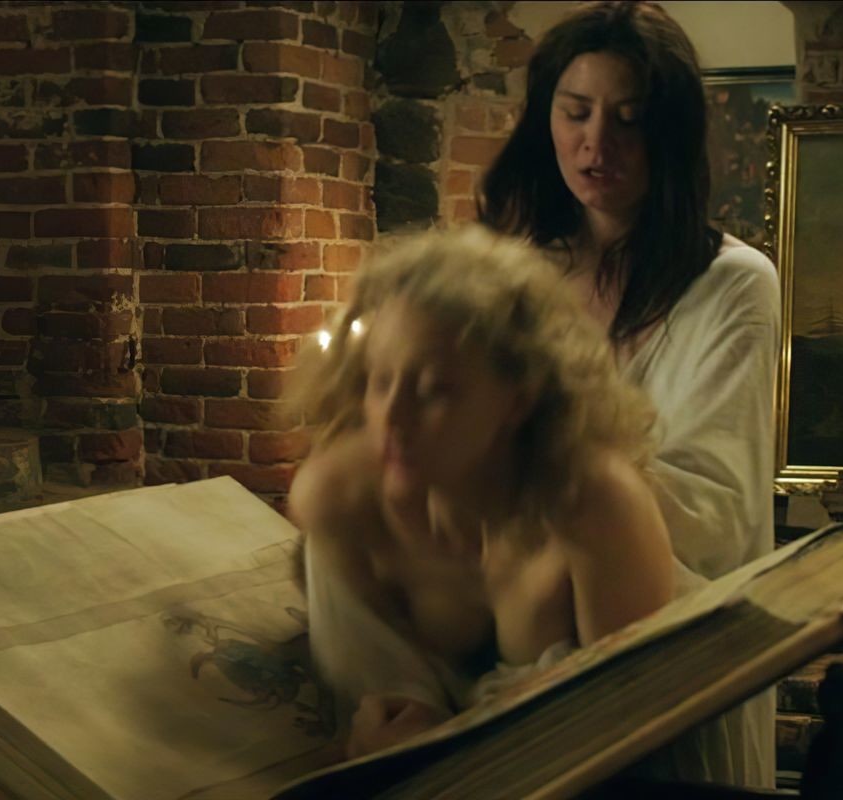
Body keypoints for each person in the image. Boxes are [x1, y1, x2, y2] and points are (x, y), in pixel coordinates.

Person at [479, 4, 781, 784]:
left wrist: (545, 476)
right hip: (518, 629)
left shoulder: (733, 284)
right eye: (575, 112)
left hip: (674, 636)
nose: (595, 144)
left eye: (628, 119)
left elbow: (715, 511)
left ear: (668, 133)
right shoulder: (516, 275)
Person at [283, 229, 677, 762]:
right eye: (380, 381)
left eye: (434, 390)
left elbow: (634, 722)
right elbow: (375, 706)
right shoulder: (338, 500)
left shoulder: (595, 500)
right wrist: (389, 736)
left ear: (519, 399)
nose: (392, 418)